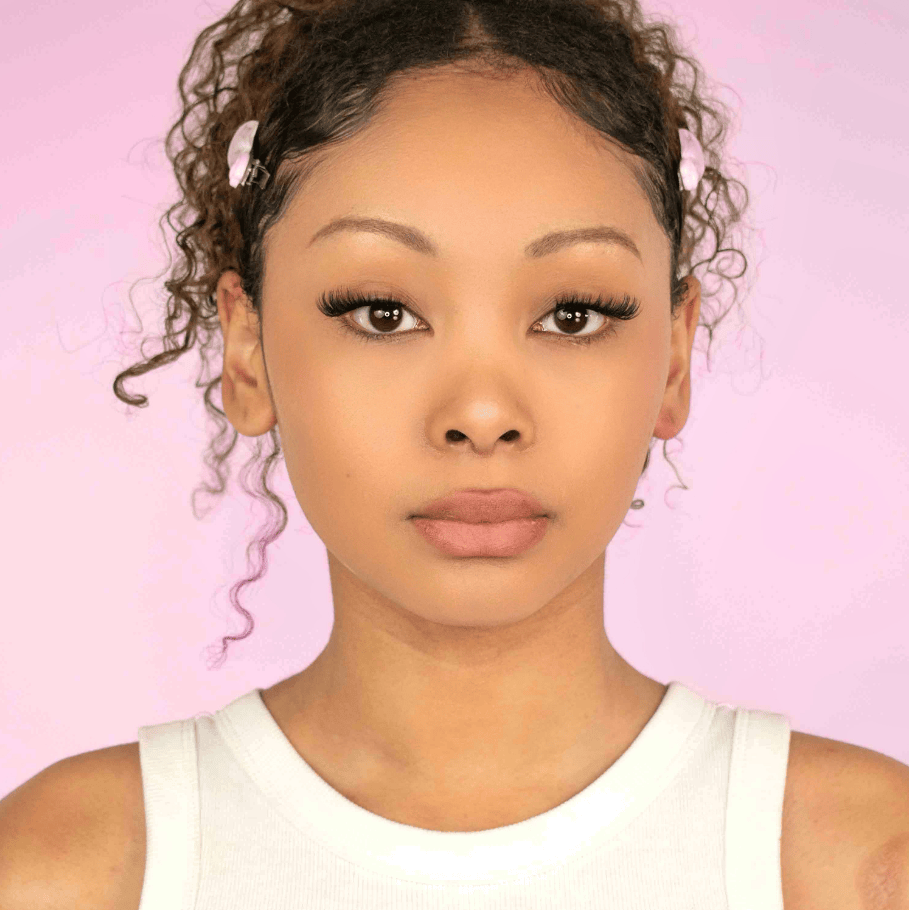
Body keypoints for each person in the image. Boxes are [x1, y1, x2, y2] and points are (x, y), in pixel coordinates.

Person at [1, 0, 907, 907]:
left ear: (673, 357)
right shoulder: (66, 871)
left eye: (574, 314)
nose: (481, 414)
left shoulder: (865, 865)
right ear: (246, 350)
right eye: (382, 313)